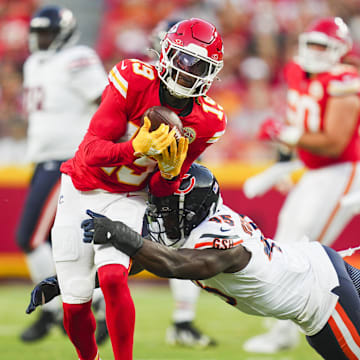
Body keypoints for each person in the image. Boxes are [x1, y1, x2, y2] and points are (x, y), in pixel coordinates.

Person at [51, 18, 226, 360]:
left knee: (114, 276)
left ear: (212, 72)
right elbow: (89, 152)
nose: (187, 72)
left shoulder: (208, 120)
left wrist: (171, 172)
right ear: (165, 54)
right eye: (181, 60)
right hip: (81, 187)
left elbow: (162, 194)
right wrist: (134, 148)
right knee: (75, 300)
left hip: (129, 197)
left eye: (199, 66)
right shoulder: (133, 78)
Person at [76, 163, 360, 360]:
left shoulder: (224, 243)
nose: (162, 217)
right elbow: (141, 260)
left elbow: (175, 265)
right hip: (319, 265)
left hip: (325, 298)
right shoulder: (195, 224)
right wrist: (74, 284)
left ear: (193, 210)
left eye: (169, 210)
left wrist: (121, 233)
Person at [242, 16, 360, 353]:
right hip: (314, 172)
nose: (317, 51)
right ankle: (282, 332)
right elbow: (300, 123)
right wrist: (282, 165)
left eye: (325, 45)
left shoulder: (344, 81)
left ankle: (290, 332)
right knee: (284, 246)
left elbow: (336, 142)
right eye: (314, 43)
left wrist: (287, 135)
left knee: (308, 252)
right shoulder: (297, 72)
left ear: (339, 49)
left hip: (343, 171)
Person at [17, 5, 108, 343]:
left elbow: (106, 101)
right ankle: (90, 306)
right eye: (38, 33)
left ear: (64, 34)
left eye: (48, 33)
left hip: (67, 160)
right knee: (63, 245)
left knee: (29, 238)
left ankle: (56, 310)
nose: (42, 39)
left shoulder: (78, 58)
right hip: (43, 159)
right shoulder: (32, 64)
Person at [148, 17, 216, 348]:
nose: (185, 67)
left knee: (179, 243)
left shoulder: (203, 104)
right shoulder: (141, 80)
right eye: (180, 57)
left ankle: (183, 320)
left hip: (173, 168)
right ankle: (95, 309)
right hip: (132, 168)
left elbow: (202, 122)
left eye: (193, 61)